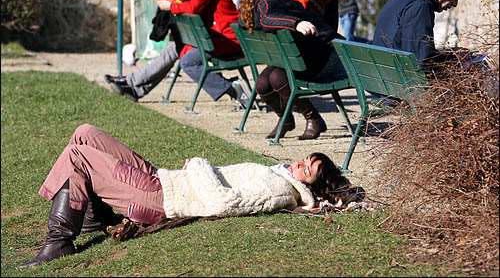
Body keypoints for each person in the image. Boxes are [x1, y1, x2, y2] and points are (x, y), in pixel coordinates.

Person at [17, 123, 361, 269]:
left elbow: (221, 204)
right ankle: (93, 213)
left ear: (310, 186)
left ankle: (60, 241)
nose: (300, 164)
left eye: (307, 170)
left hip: (160, 198)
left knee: (79, 155)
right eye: (306, 159)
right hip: (161, 179)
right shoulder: (280, 173)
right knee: (85, 134)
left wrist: (198, 164)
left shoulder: (279, 189)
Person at [104, 0, 249, 108]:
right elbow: (184, 2)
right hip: (212, 37)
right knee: (173, 48)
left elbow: (193, 7)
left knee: (188, 62)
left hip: (227, 39)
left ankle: (232, 89)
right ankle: (134, 87)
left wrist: (170, 7)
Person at [239, 0, 347, 141]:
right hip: (309, 57)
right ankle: (286, 119)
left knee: (277, 77)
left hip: (324, 56)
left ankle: (312, 118)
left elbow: (260, 19)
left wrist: (294, 23)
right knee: (263, 83)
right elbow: (267, 18)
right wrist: (296, 23)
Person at [372, 0, 472, 71]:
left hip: (384, 75)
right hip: (400, 82)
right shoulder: (420, 7)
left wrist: (449, 55)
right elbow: (423, 63)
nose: (455, 3)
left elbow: (415, 52)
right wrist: (455, 59)